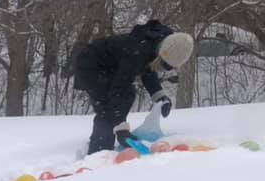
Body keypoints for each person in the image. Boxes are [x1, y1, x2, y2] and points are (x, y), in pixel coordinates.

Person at [73, 21, 194, 154]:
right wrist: (121, 126)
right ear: (162, 55)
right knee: (107, 107)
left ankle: (106, 142)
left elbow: (148, 67)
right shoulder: (136, 53)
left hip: (110, 66)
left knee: (124, 97)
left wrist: (159, 96)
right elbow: (119, 89)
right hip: (91, 66)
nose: (165, 70)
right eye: (166, 65)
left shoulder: (162, 42)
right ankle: (99, 152)